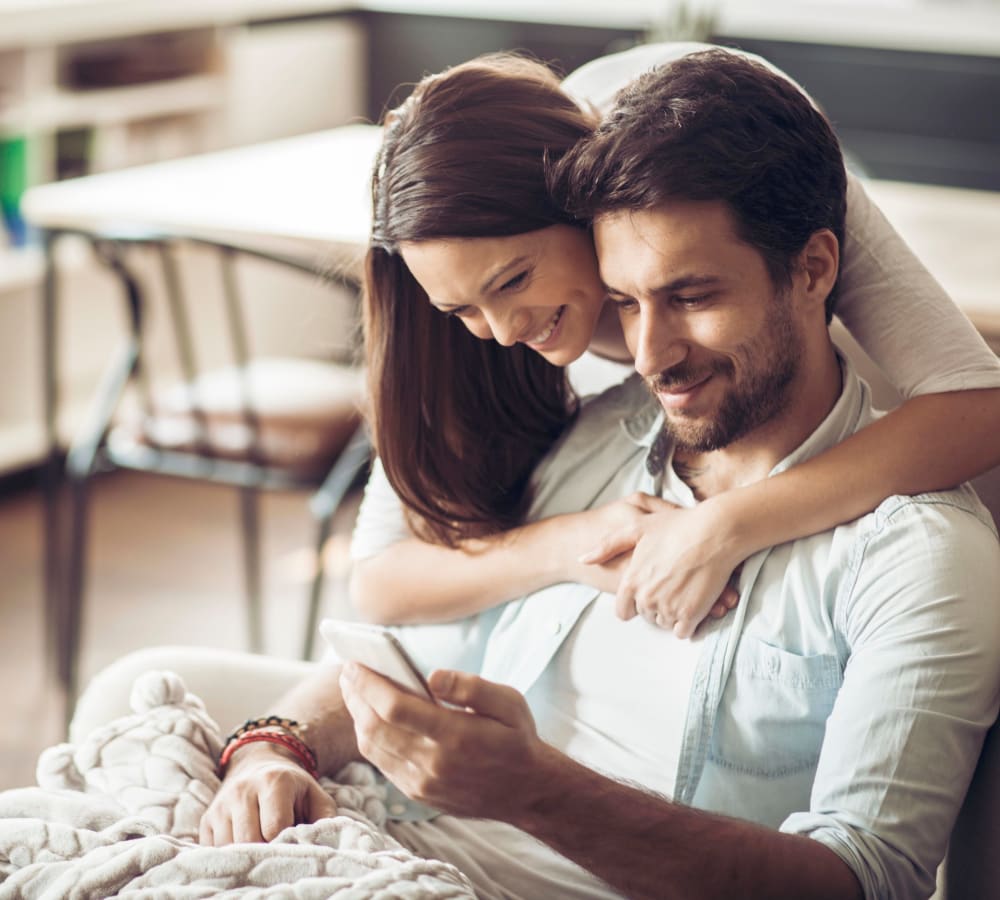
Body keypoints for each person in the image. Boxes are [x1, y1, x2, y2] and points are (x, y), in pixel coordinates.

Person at [191, 49, 1000, 899]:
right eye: (623, 303)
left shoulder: (912, 557)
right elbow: (400, 630)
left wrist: (534, 788)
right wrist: (272, 745)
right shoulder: (603, 433)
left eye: (690, 295)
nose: (649, 357)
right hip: (384, 843)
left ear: (814, 269)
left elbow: (867, 880)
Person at [352, 43, 1000, 640]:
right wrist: (567, 545)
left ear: (585, 202)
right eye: (460, 308)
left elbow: (979, 406)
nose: (502, 332)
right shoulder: (453, 262)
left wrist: (728, 523)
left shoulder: (713, 146)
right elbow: (379, 580)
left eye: (516, 279)